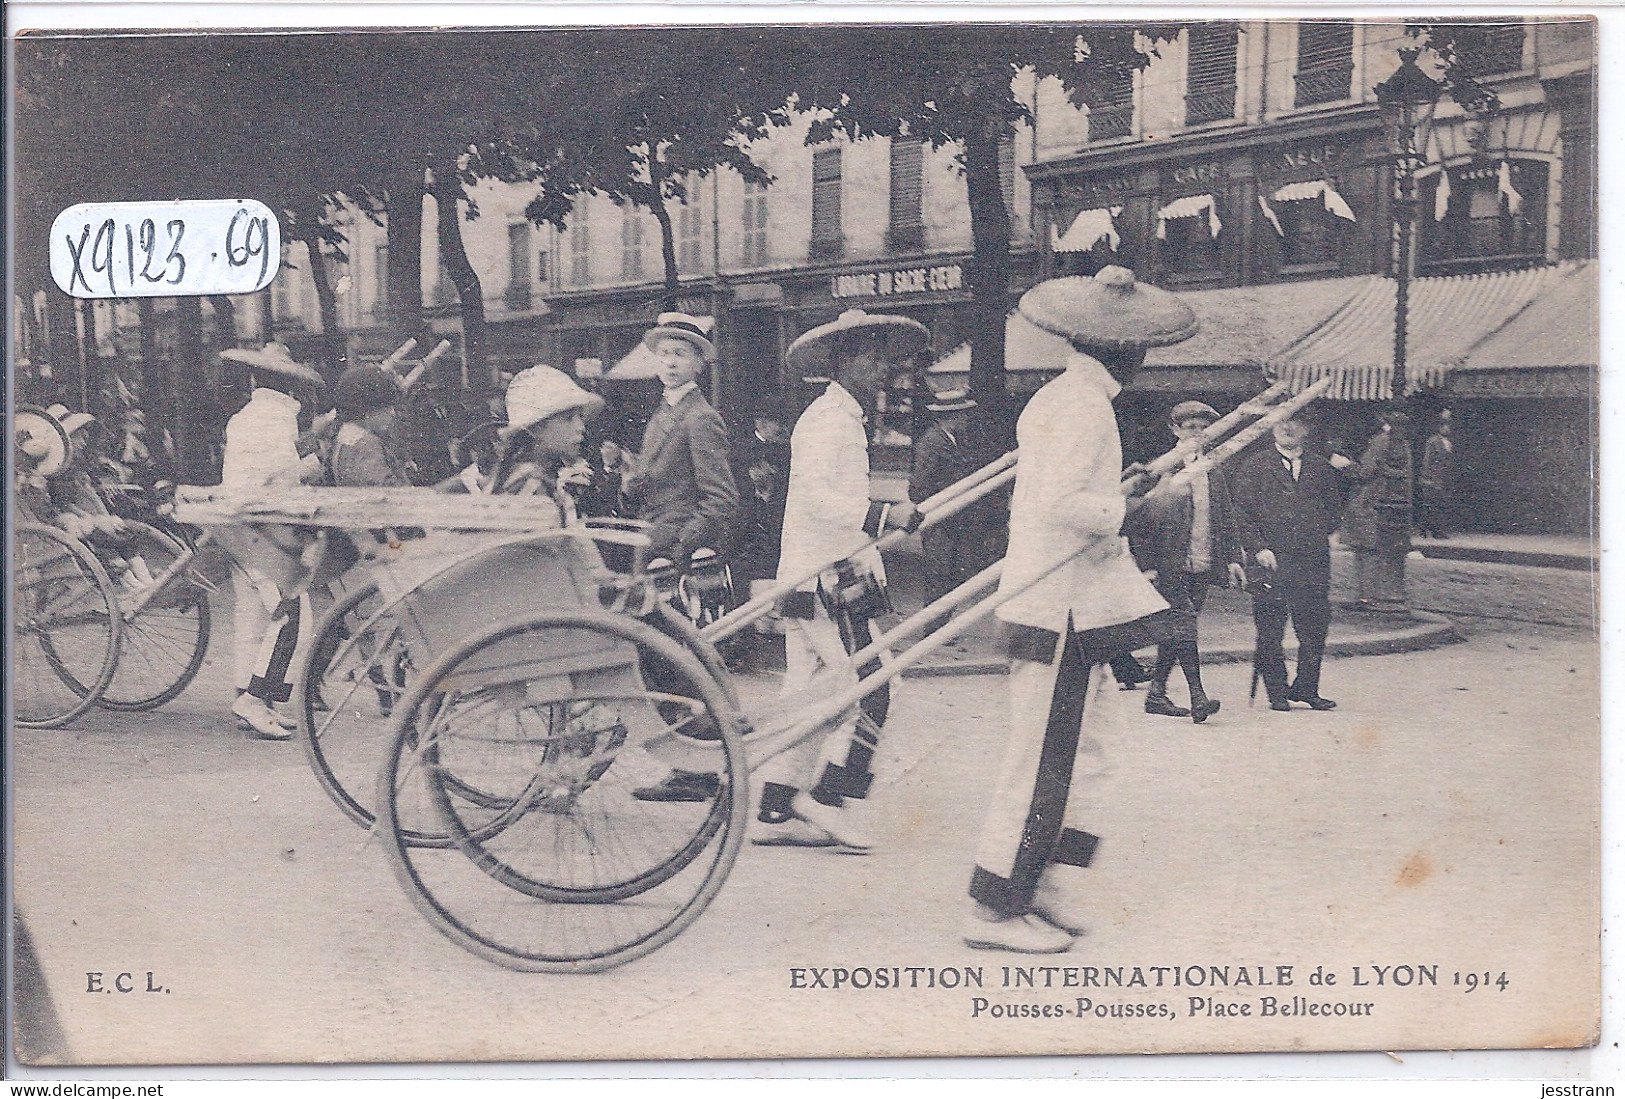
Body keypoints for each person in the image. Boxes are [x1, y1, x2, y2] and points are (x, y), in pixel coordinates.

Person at [964, 266, 1192, 954]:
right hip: (1053, 605)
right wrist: (1136, 507)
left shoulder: (1064, 397)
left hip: (1076, 604)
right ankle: (992, 906)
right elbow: (1058, 503)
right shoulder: (1082, 405)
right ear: (1125, 349)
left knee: (1088, 752)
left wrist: (1120, 494)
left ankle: (1042, 881)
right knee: (1043, 760)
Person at [749, 309, 926, 852]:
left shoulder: (843, 416)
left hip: (820, 571)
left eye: (882, 356)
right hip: (829, 577)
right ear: (839, 363)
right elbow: (817, 498)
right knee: (874, 687)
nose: (879, 367)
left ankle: (778, 806)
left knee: (807, 692)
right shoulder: (829, 421)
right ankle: (826, 800)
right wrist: (882, 514)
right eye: (866, 357)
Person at [215, 343, 328, 740]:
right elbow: (282, 479)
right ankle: (254, 701)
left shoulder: (246, 415)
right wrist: (315, 462)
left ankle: (248, 694)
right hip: (263, 531)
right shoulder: (276, 417)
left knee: (254, 617)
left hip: (238, 527)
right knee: (292, 617)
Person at [1125, 401, 1246, 724]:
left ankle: (1156, 693)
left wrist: (1233, 558)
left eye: (1201, 427)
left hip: (1202, 559)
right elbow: (1141, 523)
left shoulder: (1213, 467)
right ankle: (1198, 696)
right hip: (1169, 562)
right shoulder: (1162, 469)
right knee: (1184, 622)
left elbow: (1225, 516)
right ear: (1175, 431)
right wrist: (1146, 565)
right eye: (1189, 426)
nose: (1197, 432)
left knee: (1177, 628)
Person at [1229, 414, 1353, 713]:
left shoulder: (1321, 468)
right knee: (1270, 627)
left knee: (1314, 626)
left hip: (1312, 559)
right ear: (1271, 428)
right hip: (1270, 559)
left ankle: (1307, 688)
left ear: (1306, 430)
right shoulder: (1256, 466)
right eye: (1281, 423)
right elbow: (1242, 513)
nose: (1287, 428)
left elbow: (1334, 510)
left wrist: (1313, 533)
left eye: (1295, 423)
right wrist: (1258, 548)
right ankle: (1277, 692)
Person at [620, 312, 739, 564]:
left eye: (680, 354)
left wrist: (681, 544)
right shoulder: (662, 412)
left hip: (676, 555)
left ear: (698, 364)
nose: (670, 363)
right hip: (649, 544)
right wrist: (630, 483)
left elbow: (721, 500)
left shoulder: (700, 417)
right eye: (664, 354)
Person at [908, 388, 1005, 632]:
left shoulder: (950, 440)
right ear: (952, 415)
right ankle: (933, 630)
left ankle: (939, 627)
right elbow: (919, 487)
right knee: (939, 576)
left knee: (951, 574)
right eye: (963, 415)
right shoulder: (932, 443)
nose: (967, 420)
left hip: (952, 520)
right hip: (938, 521)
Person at [1344, 405, 1413, 611]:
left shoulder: (1380, 442)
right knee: (1373, 548)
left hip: (1370, 500)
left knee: (1366, 549)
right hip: (1389, 502)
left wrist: (1343, 464)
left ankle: (1367, 596)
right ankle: (1373, 595)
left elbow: (1364, 472)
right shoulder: (1403, 444)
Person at [327, 365, 410, 488]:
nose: (392, 413)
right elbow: (393, 495)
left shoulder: (347, 436)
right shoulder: (365, 444)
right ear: (367, 410)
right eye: (387, 407)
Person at [1417, 413, 1455, 539]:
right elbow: (1427, 460)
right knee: (1431, 504)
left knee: (1440, 504)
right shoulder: (1433, 441)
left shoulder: (1448, 442)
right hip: (1434, 477)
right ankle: (1428, 529)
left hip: (1444, 477)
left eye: (1448, 426)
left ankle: (1434, 529)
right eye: (1444, 426)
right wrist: (1426, 477)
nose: (1446, 429)